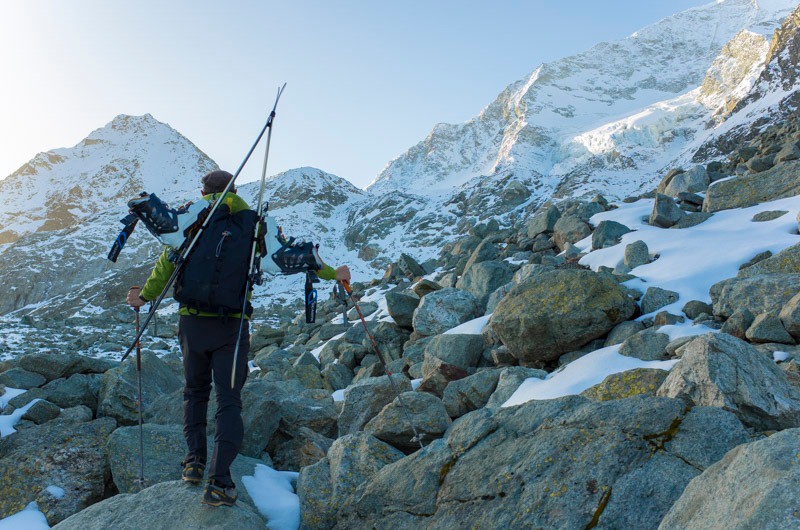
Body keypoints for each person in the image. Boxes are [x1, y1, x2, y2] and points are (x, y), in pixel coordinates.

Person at [126, 169, 350, 507]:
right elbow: (286, 258)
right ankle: (219, 482)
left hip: (192, 324)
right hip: (232, 326)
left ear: (204, 190)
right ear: (235, 189)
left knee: (195, 393)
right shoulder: (255, 221)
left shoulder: (194, 215)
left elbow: (167, 263)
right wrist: (336, 273)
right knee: (229, 400)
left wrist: (142, 297)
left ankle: (193, 462)